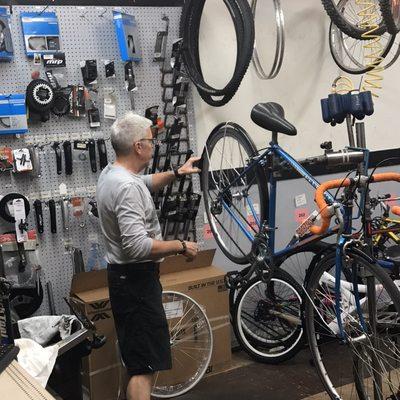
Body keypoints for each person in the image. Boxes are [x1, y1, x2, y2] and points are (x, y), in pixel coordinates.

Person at [96, 112, 200, 400]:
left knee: (138, 360)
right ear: (138, 146)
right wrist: (181, 245)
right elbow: (138, 247)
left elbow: (144, 182)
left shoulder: (111, 174)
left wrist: (177, 173)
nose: (154, 146)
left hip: (125, 280)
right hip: (136, 283)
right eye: (152, 141)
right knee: (144, 368)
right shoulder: (126, 187)